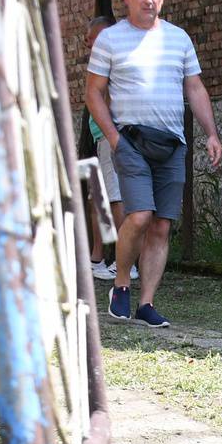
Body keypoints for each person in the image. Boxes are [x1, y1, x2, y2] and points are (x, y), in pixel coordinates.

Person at [84, 0, 222, 328]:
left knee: (161, 225)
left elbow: (194, 88)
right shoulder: (110, 40)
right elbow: (94, 93)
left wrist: (211, 132)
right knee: (140, 216)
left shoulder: (178, 39)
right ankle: (120, 285)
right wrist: (113, 137)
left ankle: (146, 303)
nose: (149, 0)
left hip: (171, 143)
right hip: (130, 141)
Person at [79, 14, 131, 283]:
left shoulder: (114, 60)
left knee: (115, 197)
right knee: (97, 197)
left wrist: (112, 134)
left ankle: (127, 262)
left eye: (93, 38)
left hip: (111, 137)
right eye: (88, 40)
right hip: (99, 136)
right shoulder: (102, 60)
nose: (90, 45)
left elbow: (111, 100)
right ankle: (97, 258)